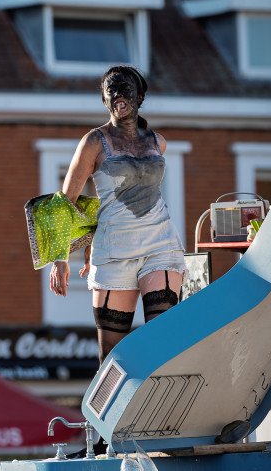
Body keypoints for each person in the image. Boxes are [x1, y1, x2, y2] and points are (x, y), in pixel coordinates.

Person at [49, 65, 186, 362]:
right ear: (104, 100)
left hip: (160, 245)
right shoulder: (94, 142)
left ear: (140, 96)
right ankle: (114, 408)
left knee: (163, 340)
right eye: (110, 90)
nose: (117, 94)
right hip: (114, 253)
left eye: (124, 87)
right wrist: (60, 258)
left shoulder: (157, 142)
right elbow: (65, 202)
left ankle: (160, 406)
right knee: (113, 355)